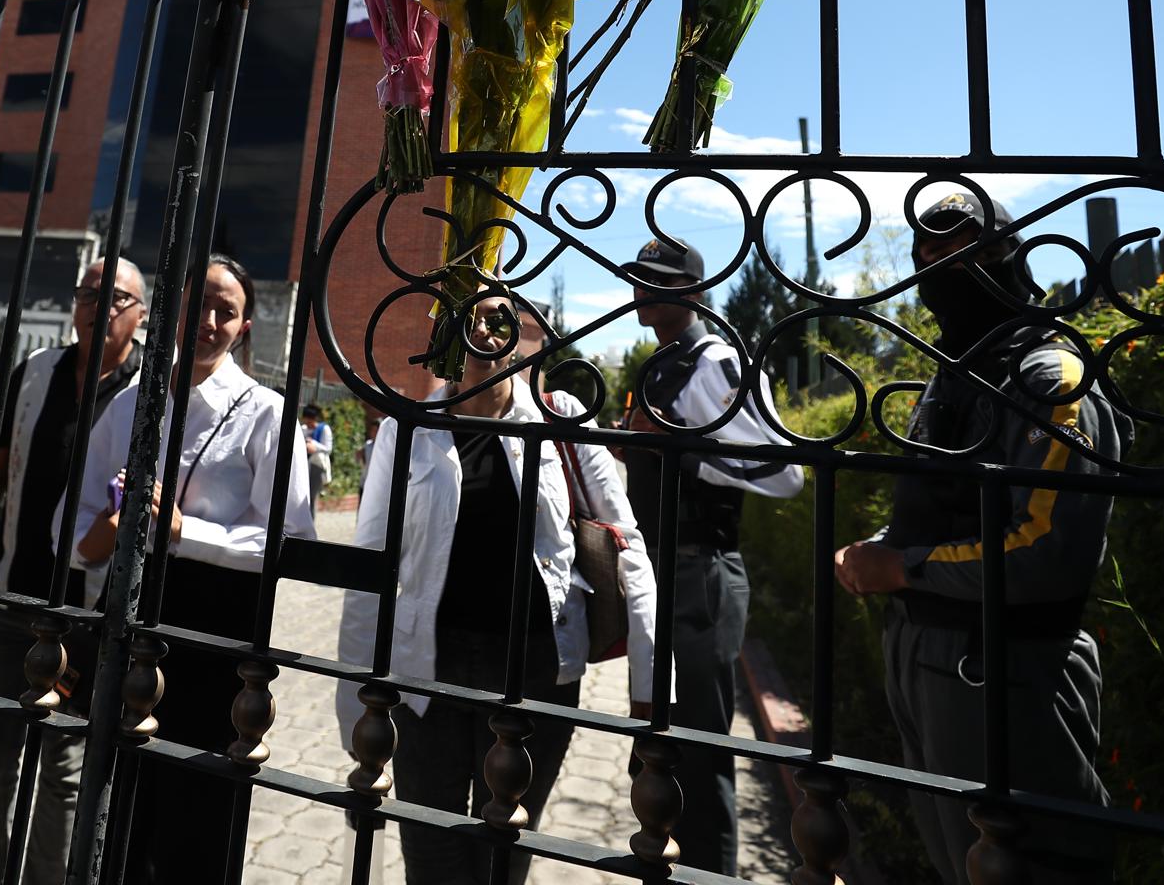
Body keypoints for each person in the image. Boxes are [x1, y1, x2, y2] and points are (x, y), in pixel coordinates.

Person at [833, 194, 1129, 884]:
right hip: (923, 650)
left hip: (1004, 661)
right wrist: (878, 547)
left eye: (966, 250)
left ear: (1009, 256)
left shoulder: (1052, 378)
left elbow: (1046, 550)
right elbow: (943, 501)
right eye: (927, 256)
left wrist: (901, 567)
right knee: (955, 857)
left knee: (1029, 862)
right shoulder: (956, 372)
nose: (942, 268)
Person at [336, 294, 657, 885]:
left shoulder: (561, 419)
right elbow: (369, 566)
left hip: (535, 671)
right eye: (465, 315)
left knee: (504, 850)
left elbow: (625, 543)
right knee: (430, 851)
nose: (482, 326)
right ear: (442, 334)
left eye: (497, 315)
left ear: (521, 333)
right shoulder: (408, 428)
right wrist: (353, 703)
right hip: (426, 671)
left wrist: (647, 689)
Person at [61, 252, 315, 883]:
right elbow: (71, 520)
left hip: (216, 631)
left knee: (198, 818)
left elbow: (289, 539)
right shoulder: (128, 406)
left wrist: (183, 532)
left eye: (224, 311)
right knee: (121, 812)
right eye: (194, 304)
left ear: (245, 326)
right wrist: (104, 534)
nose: (205, 320)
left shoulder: (265, 412)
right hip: (128, 617)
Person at [616, 237, 802, 875]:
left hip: (701, 569)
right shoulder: (664, 361)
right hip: (660, 566)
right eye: (638, 278)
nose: (642, 289)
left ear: (693, 292)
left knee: (701, 746)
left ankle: (709, 871)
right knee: (660, 739)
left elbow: (783, 471)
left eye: (657, 280)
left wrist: (678, 444)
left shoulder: (716, 360)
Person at [0, 257, 145, 885]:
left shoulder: (153, 391)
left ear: (142, 314)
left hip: (87, 617)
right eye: (87, 293)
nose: (98, 304)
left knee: (64, 775)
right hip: (10, 599)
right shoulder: (36, 371)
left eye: (115, 296)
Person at [301, 403, 334, 507]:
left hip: (317, 465)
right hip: (305, 464)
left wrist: (314, 444)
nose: (308, 424)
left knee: (311, 496)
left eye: (309, 421)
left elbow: (328, 448)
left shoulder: (324, 429)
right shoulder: (304, 429)